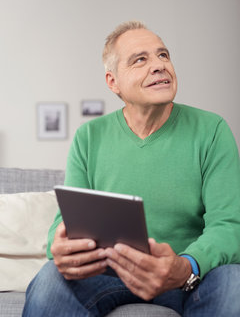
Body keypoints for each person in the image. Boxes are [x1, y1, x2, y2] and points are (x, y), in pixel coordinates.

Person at [23, 21, 240, 317]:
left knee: (234, 283)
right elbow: (65, 221)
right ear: (113, 82)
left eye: (163, 55)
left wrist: (185, 265)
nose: (159, 65)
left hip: (189, 276)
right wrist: (57, 246)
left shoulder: (212, 130)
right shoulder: (89, 137)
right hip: (110, 274)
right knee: (49, 279)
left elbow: (229, 225)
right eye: (141, 59)